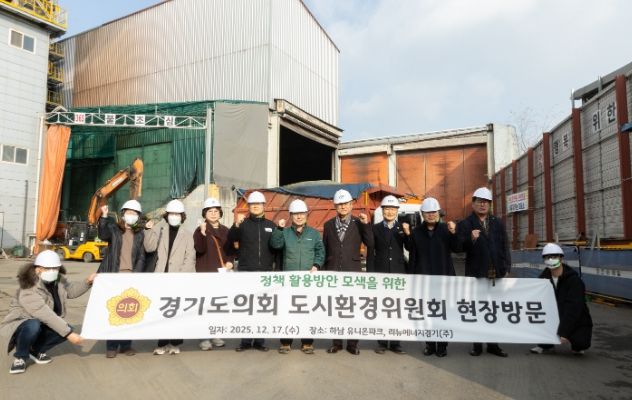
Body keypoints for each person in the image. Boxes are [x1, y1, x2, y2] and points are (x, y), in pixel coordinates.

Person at [0, 250, 95, 374]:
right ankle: (21, 357)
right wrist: (68, 334)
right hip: (22, 322)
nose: (53, 271)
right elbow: (44, 313)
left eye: (55, 268)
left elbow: (71, 291)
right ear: (38, 269)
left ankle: (35, 350)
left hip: (42, 320)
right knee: (35, 325)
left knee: (65, 329)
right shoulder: (28, 287)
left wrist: (87, 282)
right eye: (48, 268)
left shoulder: (58, 280)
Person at [457, 187, 511, 357]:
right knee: (478, 309)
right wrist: (471, 238)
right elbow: (459, 247)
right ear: (473, 204)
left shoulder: (497, 223)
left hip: (496, 273)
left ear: (490, 205)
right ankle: (477, 345)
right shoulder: (466, 224)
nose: (483, 205)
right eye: (479, 202)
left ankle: (493, 345)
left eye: (486, 202)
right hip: (476, 274)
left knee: (494, 310)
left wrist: (507, 267)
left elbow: (505, 245)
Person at [403, 197, 459, 357]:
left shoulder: (446, 230)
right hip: (423, 281)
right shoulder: (416, 232)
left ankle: (442, 345)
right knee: (426, 314)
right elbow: (411, 251)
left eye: (434, 212)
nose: (431, 215)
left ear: (438, 213)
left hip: (443, 279)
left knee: (443, 313)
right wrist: (407, 234)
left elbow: (457, 248)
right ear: (422, 214)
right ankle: (429, 344)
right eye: (427, 212)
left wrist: (454, 233)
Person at [322, 189, 373, 355]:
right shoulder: (328, 225)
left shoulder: (359, 223)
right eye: (340, 204)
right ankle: (336, 343)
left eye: (346, 204)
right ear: (335, 206)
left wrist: (365, 225)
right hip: (333, 272)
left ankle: (352, 343)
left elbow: (371, 243)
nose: (343, 206)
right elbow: (325, 249)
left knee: (352, 309)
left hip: (352, 272)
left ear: (351, 205)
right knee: (335, 309)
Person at [270, 199, 324, 355]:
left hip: (308, 281)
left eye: (302, 213)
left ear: (306, 215)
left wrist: (317, 265)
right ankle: (286, 342)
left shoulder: (314, 234)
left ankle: (307, 342)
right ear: (291, 216)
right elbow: (275, 245)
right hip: (289, 281)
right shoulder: (285, 232)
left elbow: (320, 251)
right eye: (295, 214)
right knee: (288, 311)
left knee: (308, 311)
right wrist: (278, 229)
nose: (299, 217)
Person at [144, 199, 196, 355]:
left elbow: (190, 258)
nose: (174, 216)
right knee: (162, 311)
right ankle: (162, 343)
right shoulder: (160, 230)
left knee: (177, 311)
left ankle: (174, 343)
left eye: (177, 214)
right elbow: (149, 247)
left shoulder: (187, 235)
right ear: (167, 215)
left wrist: (180, 276)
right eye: (171, 214)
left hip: (179, 279)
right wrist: (149, 229)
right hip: (161, 278)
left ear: (182, 216)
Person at [228, 191, 277, 352]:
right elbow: (231, 240)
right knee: (247, 308)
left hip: (265, 273)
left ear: (264, 206)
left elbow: (276, 249)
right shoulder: (242, 224)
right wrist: (236, 225)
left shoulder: (271, 226)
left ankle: (260, 341)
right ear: (248, 206)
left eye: (258, 204)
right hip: (246, 272)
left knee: (262, 308)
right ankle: (246, 341)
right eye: (252, 204)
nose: (255, 206)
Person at [98, 200, 146, 358]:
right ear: (123, 214)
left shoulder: (139, 233)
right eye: (129, 212)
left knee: (130, 311)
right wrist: (104, 217)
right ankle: (111, 345)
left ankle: (126, 345)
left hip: (131, 276)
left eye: (135, 213)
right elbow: (102, 235)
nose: (131, 215)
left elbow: (141, 256)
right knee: (114, 311)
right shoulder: (114, 229)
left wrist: (136, 274)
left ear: (138, 216)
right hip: (114, 275)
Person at [530, 243, 593, 355]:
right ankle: (545, 344)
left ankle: (576, 344)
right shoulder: (542, 280)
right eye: (547, 257)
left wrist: (564, 332)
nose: (551, 260)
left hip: (575, 317)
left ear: (561, 258)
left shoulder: (574, 281)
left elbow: (573, 308)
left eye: (554, 256)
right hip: (553, 315)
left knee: (580, 342)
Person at [366, 195, 407, 355]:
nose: (390, 212)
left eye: (393, 209)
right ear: (382, 210)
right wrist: (370, 273)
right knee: (382, 309)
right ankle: (382, 342)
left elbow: (410, 247)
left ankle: (396, 343)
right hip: (380, 272)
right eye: (387, 209)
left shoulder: (402, 228)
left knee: (396, 309)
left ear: (397, 211)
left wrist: (408, 234)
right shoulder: (375, 228)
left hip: (398, 273)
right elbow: (371, 252)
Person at [193, 197, 235, 351]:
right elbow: (199, 249)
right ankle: (204, 337)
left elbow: (231, 250)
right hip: (205, 273)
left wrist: (230, 261)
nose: (213, 213)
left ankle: (216, 333)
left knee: (218, 305)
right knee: (205, 307)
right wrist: (203, 233)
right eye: (209, 211)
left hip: (221, 274)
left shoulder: (226, 230)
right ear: (204, 213)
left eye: (216, 211)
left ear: (220, 213)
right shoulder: (200, 230)